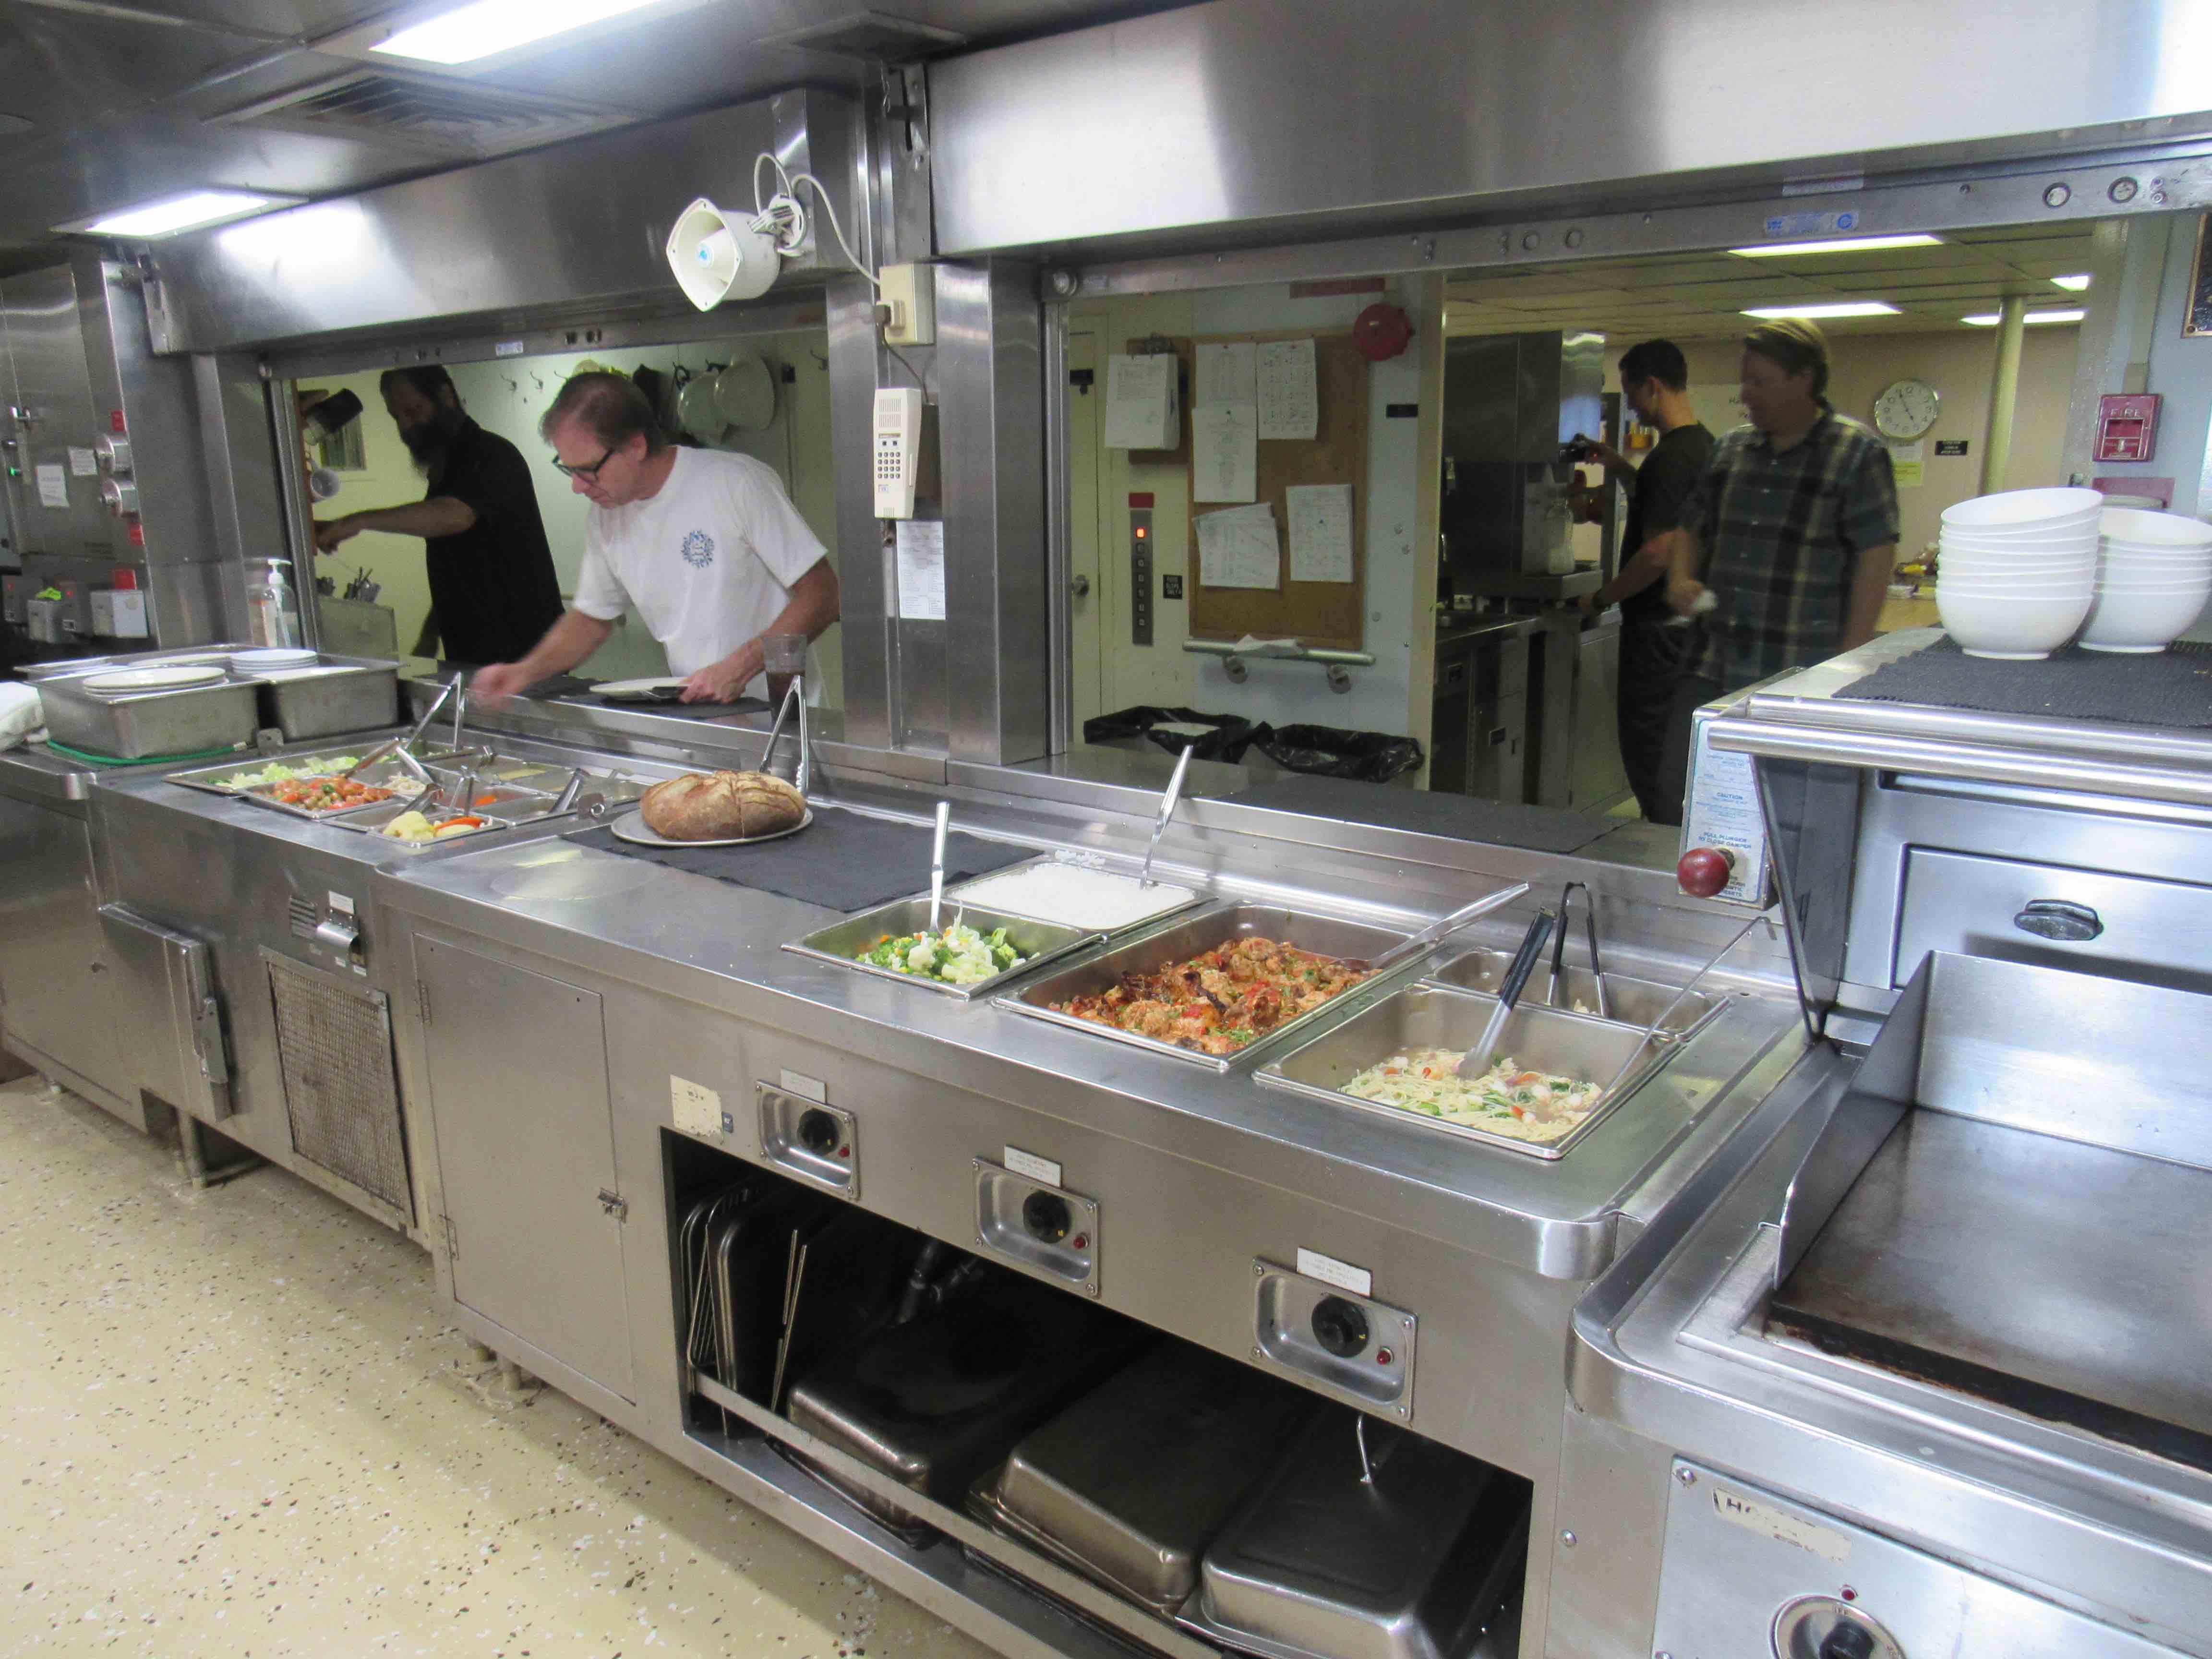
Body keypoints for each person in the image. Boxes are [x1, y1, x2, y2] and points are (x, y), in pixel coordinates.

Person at [470, 373, 840, 706]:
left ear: (636, 446)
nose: (577, 487)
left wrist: (740, 668)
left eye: (588, 471)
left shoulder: (735, 483)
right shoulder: (607, 515)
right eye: (568, 469)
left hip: (780, 715)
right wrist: (524, 672)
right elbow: (592, 620)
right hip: (697, 713)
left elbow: (823, 594)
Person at [1654, 320, 1898, 815]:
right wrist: (1680, 577)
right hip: (1712, 663)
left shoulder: (1857, 454)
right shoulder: (1731, 450)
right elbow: (1690, 528)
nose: (1746, 394)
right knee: (1679, 797)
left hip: (1798, 670)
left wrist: (1848, 662)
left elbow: (1876, 557)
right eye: (1746, 381)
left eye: (1759, 381)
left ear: (1804, 379)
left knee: (1783, 810)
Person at [313, 367, 564, 665]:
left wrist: (357, 521)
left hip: (527, 655)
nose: (406, 427)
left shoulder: (491, 454)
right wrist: (431, 634)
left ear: (446, 396)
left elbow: (455, 516)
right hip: (474, 653)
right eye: (397, 418)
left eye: (413, 410)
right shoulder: (445, 472)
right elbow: (462, 569)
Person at [1572, 339, 1715, 824]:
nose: (1629, 403)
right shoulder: (1704, 448)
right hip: (1685, 631)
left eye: (1630, 390)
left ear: (1652, 386)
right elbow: (1663, 507)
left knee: (1650, 755)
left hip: (1655, 634)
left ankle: (1658, 851)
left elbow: (1658, 552)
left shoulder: (1671, 459)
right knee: (1675, 753)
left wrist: (1600, 597)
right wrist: (1618, 468)